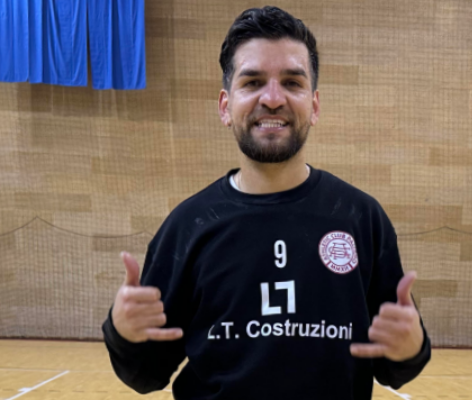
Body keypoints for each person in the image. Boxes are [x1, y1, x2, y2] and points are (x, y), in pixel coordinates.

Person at [102, 6, 431, 400]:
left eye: (292, 82)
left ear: (314, 105)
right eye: (253, 82)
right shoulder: (188, 225)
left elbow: (394, 366)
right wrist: (123, 332)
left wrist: (410, 349)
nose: (273, 99)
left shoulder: (361, 218)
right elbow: (146, 375)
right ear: (225, 106)